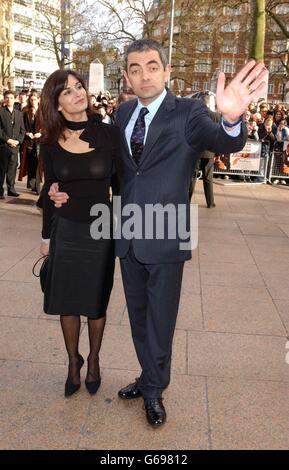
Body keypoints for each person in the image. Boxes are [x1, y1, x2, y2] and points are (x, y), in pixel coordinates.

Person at [49, 39, 268, 427]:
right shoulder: (122, 113)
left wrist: (232, 118)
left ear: (167, 72)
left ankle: (154, 390)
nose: (143, 74)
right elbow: (99, 162)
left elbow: (223, 140)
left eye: (152, 66)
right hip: (127, 232)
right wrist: (60, 189)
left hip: (167, 231)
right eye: (134, 68)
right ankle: (148, 375)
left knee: (161, 320)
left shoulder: (188, 112)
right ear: (128, 77)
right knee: (138, 317)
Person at [39, 70, 120, 397]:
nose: (77, 93)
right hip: (66, 229)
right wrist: (46, 236)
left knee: (96, 301)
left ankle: (95, 359)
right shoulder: (49, 143)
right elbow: (48, 191)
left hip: (101, 231)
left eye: (79, 86)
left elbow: (122, 187)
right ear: (57, 105)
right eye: (67, 92)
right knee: (67, 302)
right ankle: (74, 361)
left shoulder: (109, 135)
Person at [0, 90, 25, 198]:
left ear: (14, 99)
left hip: (15, 146)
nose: (9, 99)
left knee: (12, 169)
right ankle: (0, 191)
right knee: (1, 170)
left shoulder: (19, 114)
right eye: (7, 97)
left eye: (11, 97)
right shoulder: (0, 111)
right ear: (4, 99)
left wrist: (18, 141)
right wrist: (7, 140)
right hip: (3, 146)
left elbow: (22, 130)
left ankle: (11, 189)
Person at [18, 92, 42, 194]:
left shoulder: (43, 111)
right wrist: (27, 133)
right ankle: (32, 184)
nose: (33, 102)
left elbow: (48, 126)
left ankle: (38, 187)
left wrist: (41, 133)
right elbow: (21, 125)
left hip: (40, 141)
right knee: (31, 163)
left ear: (39, 99)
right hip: (28, 141)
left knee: (38, 164)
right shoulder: (25, 111)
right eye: (31, 100)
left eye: (35, 99)